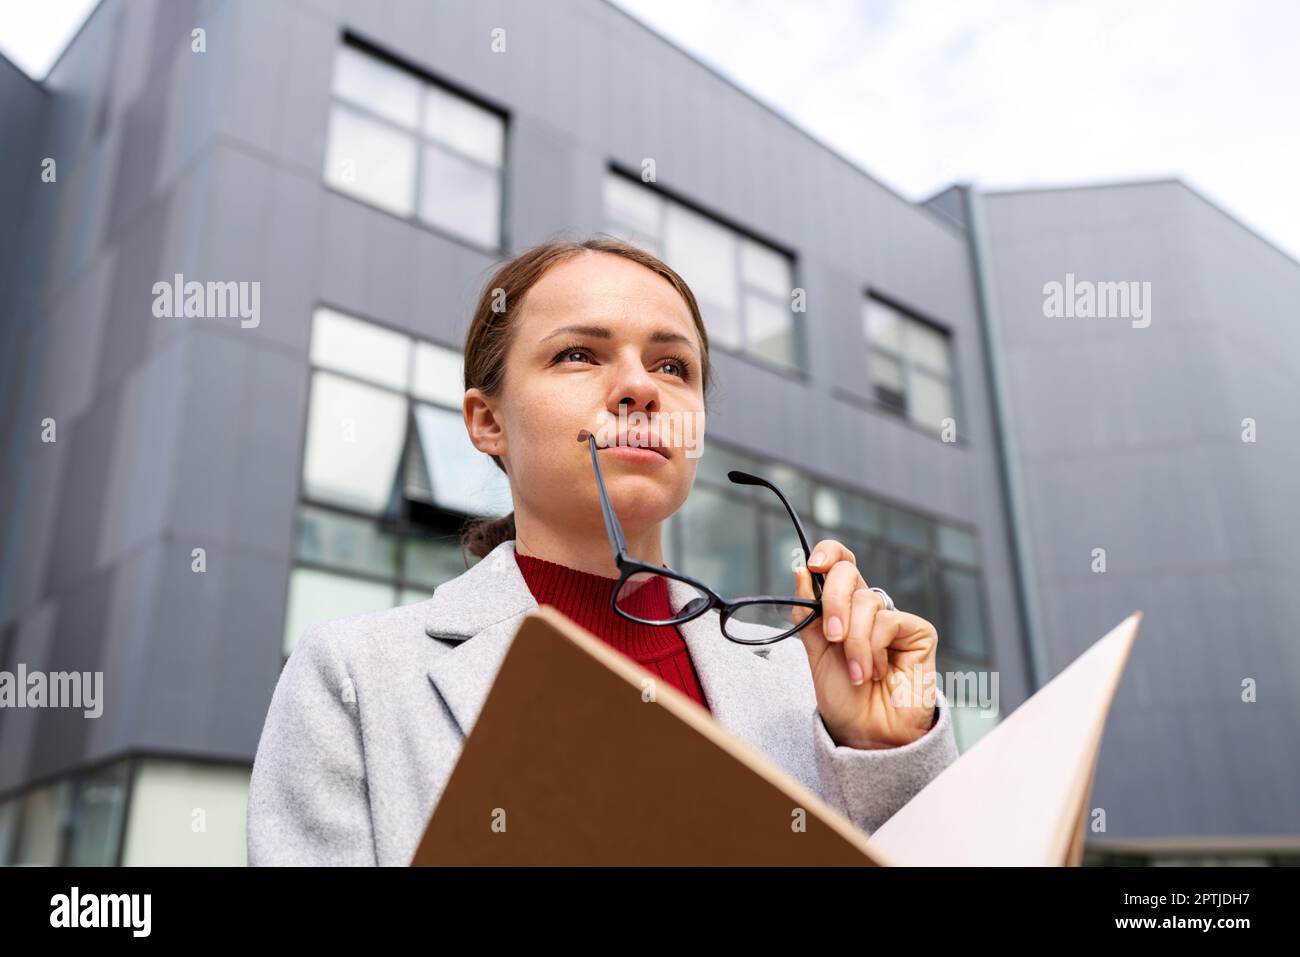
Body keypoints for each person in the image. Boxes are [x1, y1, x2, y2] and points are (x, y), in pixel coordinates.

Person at [247, 236, 959, 866]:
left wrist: (883, 753)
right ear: (487, 420)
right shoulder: (355, 679)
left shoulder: (803, 686)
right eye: (579, 354)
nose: (640, 387)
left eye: (673, 366)